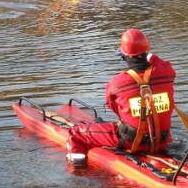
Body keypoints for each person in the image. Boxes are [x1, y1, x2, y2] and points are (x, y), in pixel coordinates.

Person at [66, 29, 176, 165]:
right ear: (147, 52)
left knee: (75, 134)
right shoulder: (167, 71)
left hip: (130, 142)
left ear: (123, 56)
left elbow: (113, 106)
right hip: (163, 141)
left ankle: (78, 168)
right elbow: (157, 61)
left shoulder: (116, 83)